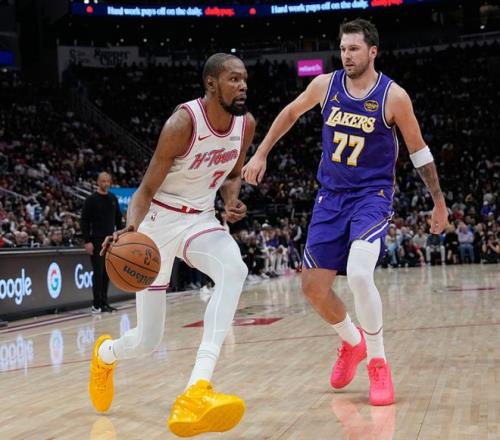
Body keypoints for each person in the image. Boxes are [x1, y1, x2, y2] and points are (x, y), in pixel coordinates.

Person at [243, 19, 448, 406]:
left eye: (354, 49)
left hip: (372, 196)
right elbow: (290, 113)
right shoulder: (325, 85)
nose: (346, 55)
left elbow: (419, 151)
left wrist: (438, 200)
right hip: (331, 197)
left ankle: (378, 363)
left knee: (358, 273)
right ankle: (353, 342)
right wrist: (261, 152)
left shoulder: (393, 96)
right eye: (342, 48)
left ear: (372, 52)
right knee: (312, 287)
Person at [88, 53, 256, 437]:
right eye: (234, 79)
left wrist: (231, 200)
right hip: (158, 223)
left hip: (200, 218)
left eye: (245, 79)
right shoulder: (183, 124)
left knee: (235, 269)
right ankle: (105, 354)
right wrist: (131, 229)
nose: (243, 85)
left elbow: (232, 174)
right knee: (147, 341)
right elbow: (145, 190)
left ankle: (197, 388)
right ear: (211, 84)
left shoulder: (245, 124)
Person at [81, 172, 123, 313]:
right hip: (97, 240)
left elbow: (118, 220)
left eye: (107, 181)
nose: (105, 183)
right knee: (98, 272)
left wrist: (121, 237)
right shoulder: (91, 200)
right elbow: (84, 221)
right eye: (103, 181)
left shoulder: (113, 198)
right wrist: (87, 241)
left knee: (107, 273)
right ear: (98, 182)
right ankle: (96, 304)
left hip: (110, 241)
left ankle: (104, 303)